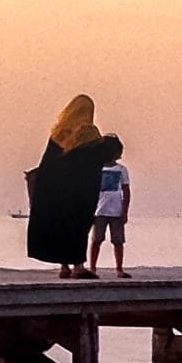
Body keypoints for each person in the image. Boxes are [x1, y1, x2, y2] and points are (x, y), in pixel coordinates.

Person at [26, 95, 115, 278]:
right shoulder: (88, 132)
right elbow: (98, 158)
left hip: (57, 191)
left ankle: (64, 266)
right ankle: (78, 267)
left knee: (61, 227)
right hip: (80, 191)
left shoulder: (58, 134)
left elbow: (48, 165)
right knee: (78, 227)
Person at [86, 137, 131, 277]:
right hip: (99, 210)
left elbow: (126, 191)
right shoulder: (96, 169)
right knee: (96, 240)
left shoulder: (122, 170)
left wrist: (124, 211)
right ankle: (92, 267)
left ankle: (119, 268)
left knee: (118, 241)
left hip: (116, 211)